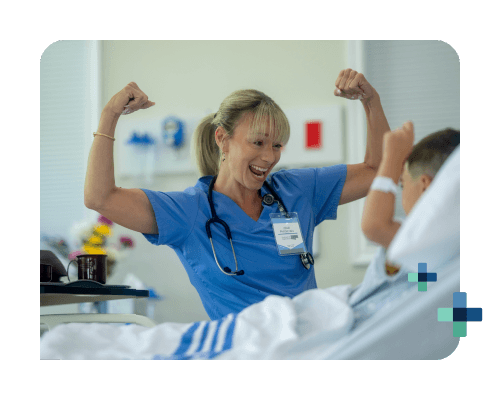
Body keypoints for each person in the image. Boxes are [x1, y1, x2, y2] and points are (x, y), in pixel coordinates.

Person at [84, 69, 391, 320]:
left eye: (277, 145)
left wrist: (371, 101)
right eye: (258, 143)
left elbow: (378, 168)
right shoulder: (189, 212)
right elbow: (100, 198)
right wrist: (111, 114)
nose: (269, 157)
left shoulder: (297, 189)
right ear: (223, 139)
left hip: (311, 344)